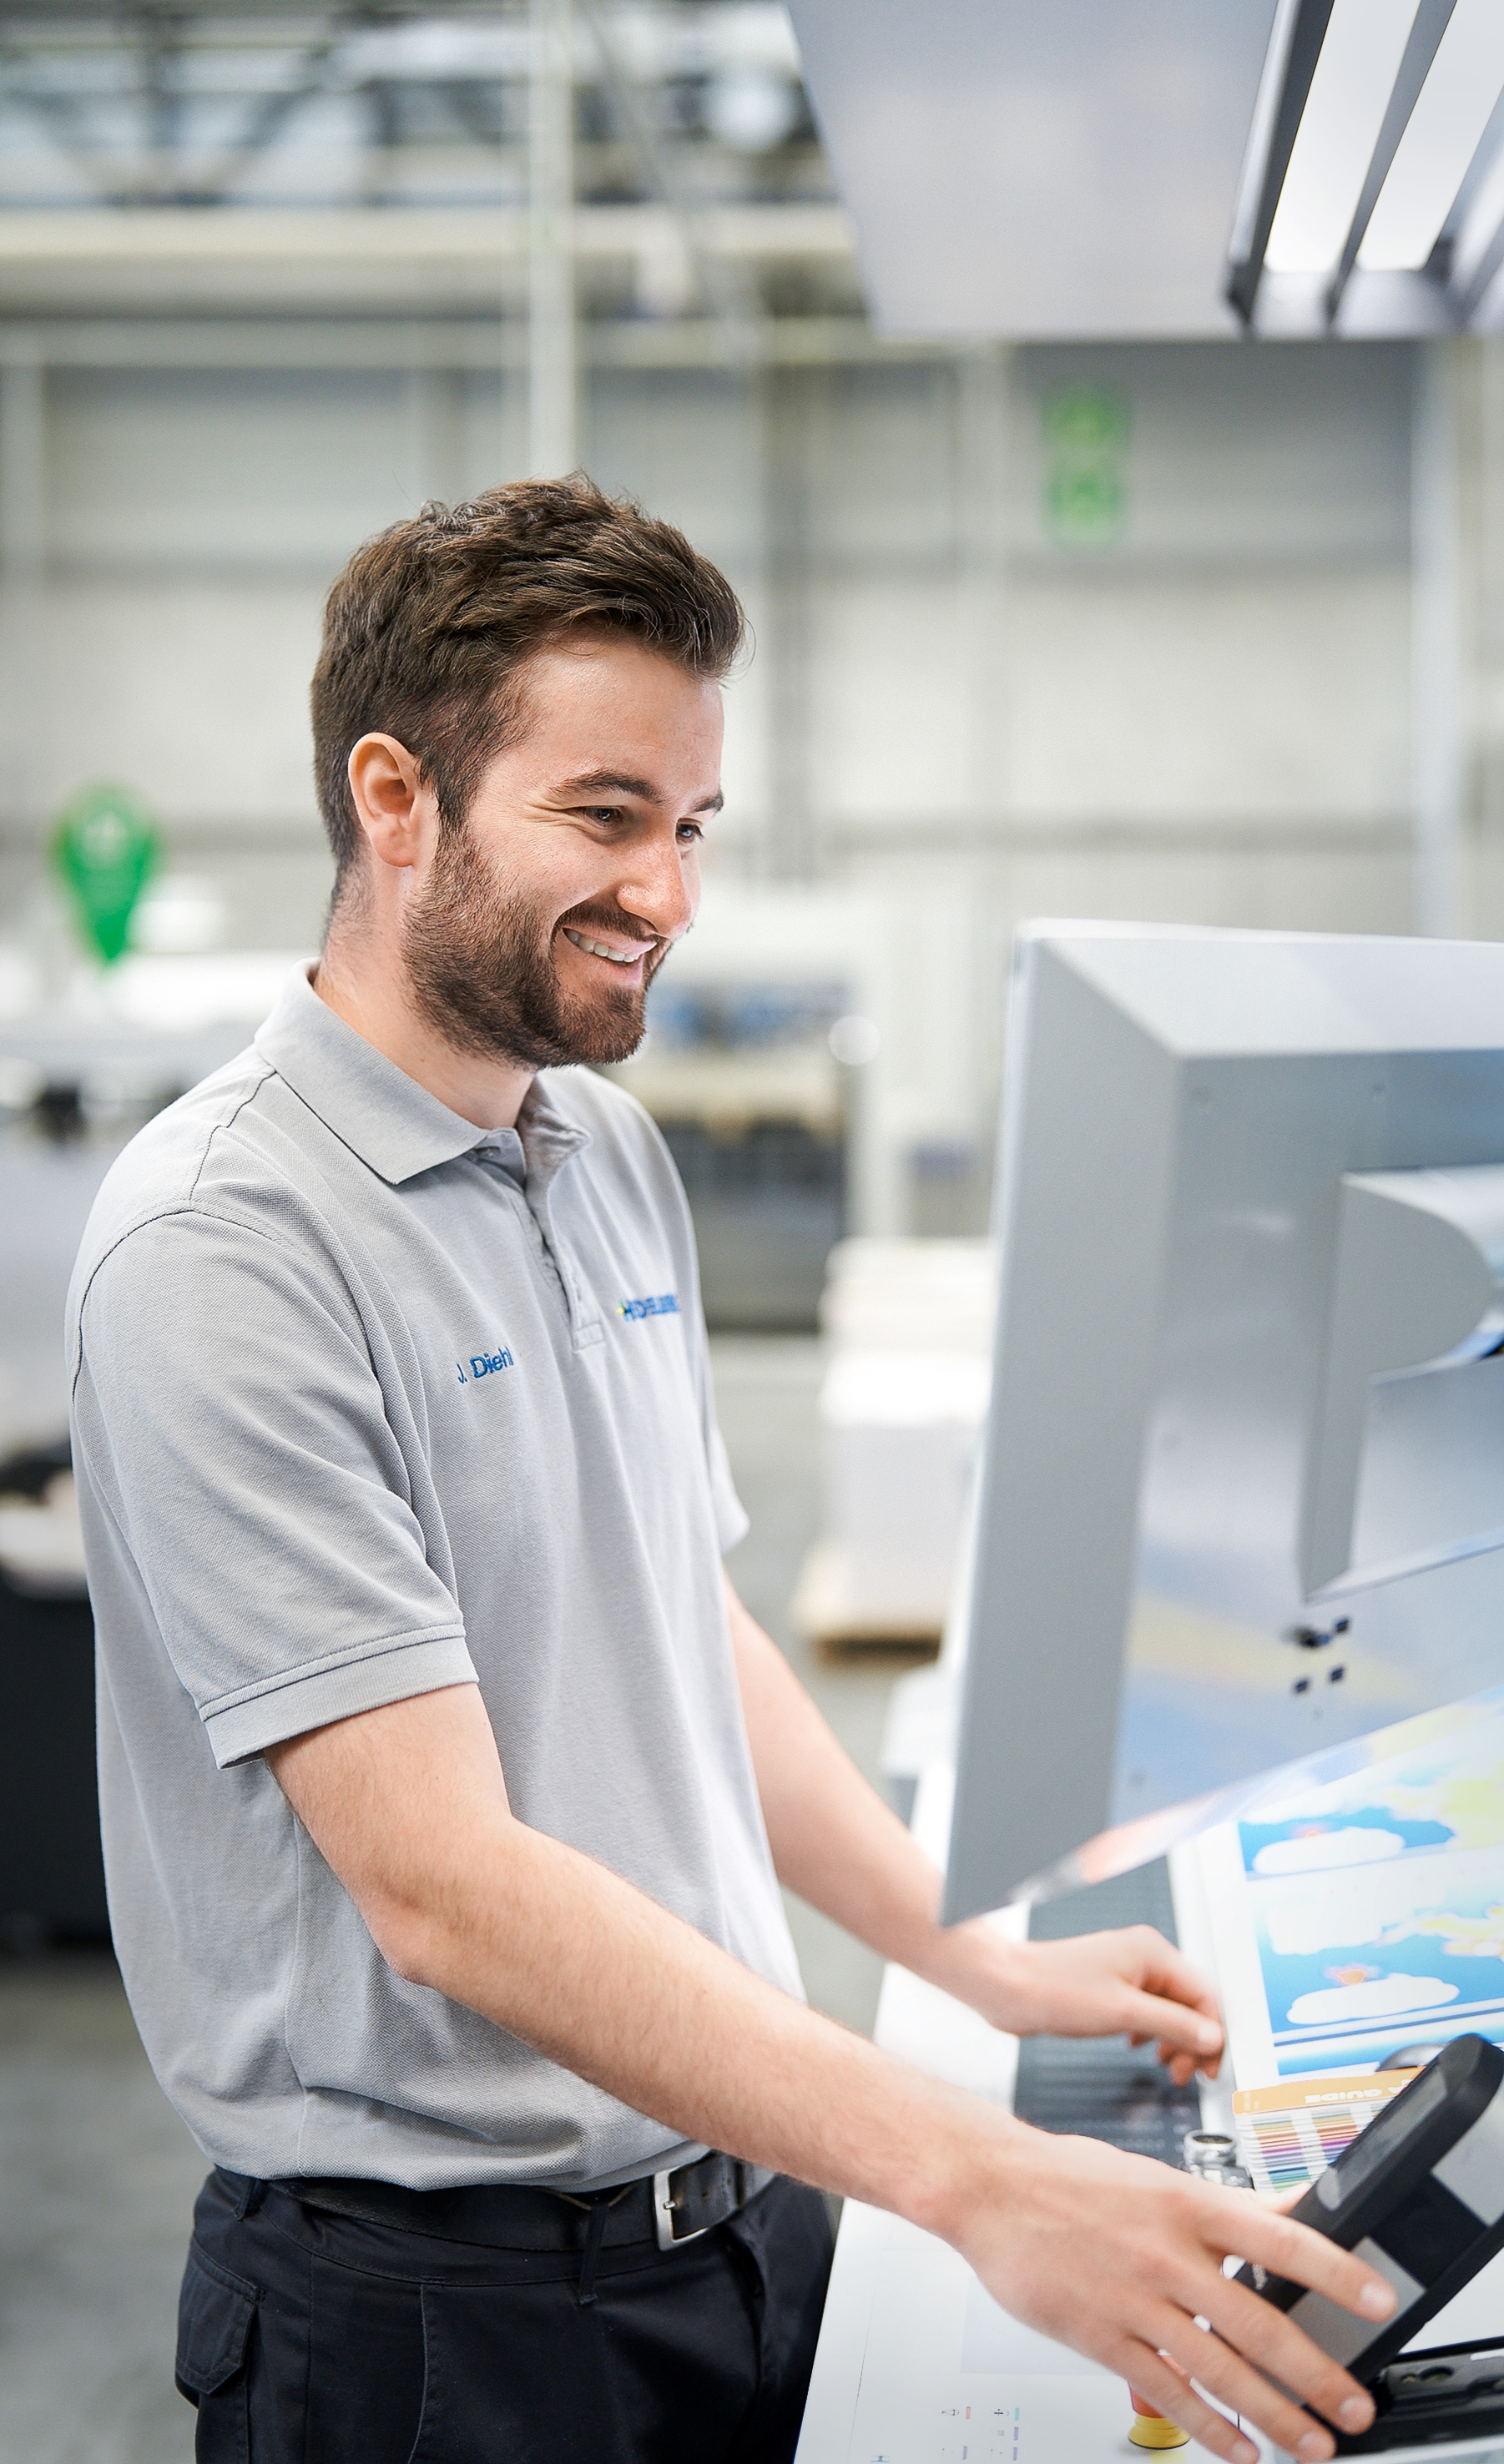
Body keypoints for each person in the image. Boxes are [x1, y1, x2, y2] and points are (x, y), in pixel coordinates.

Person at [69, 477, 1395, 2464]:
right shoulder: (226, 1247)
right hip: (441, 2327)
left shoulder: (598, 1155)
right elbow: (442, 1888)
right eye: (603, 816)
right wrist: (973, 2175)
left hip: (740, 2219)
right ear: (394, 795)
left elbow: (671, 1613)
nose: (669, 896)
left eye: (688, 828)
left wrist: (963, 1950)